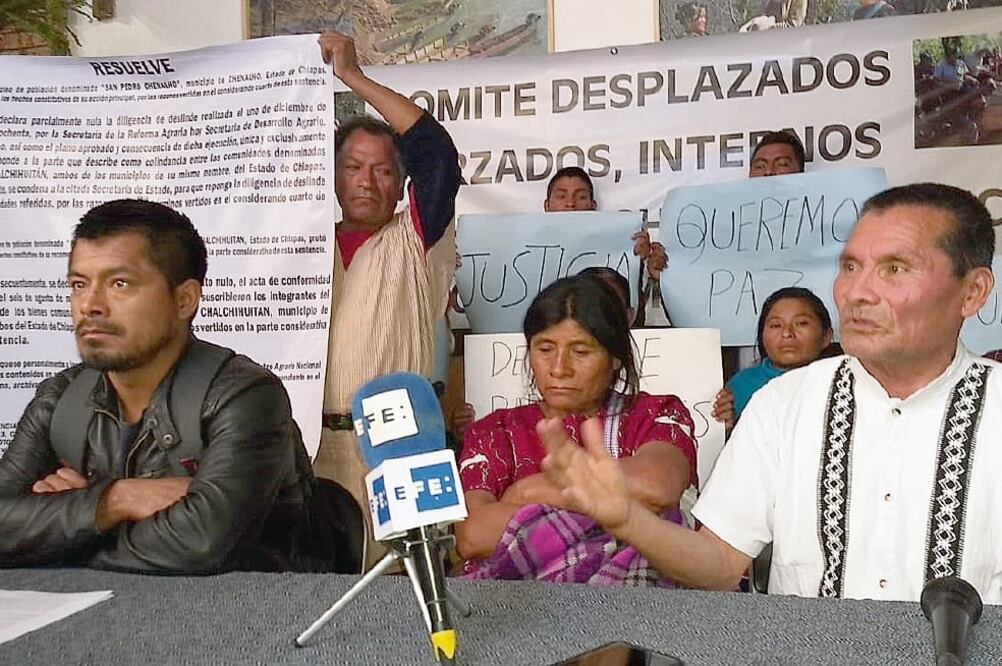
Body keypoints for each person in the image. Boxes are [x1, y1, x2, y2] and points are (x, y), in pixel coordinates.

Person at [539, 183, 1002, 603]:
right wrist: (625, 519)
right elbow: (718, 566)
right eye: (851, 266)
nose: (857, 292)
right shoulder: (784, 404)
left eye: (894, 268)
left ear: (973, 292)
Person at [0, 199, 318, 573]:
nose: (89, 305)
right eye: (79, 284)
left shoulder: (244, 396)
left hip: (255, 616)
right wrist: (115, 500)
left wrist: (61, 531)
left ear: (185, 300)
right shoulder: (58, 398)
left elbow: (202, 542)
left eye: (120, 284)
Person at [455, 275, 696, 585]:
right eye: (544, 349)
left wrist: (532, 491)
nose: (559, 368)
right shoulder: (495, 432)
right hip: (523, 612)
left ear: (615, 358)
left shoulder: (655, 415)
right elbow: (474, 536)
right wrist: (618, 510)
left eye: (580, 352)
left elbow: (657, 487)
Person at [315, 31, 461, 537]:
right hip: (311, 449)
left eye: (382, 171)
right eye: (353, 168)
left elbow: (437, 153)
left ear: (401, 185)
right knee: (318, 586)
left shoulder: (419, 237)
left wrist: (352, 78)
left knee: (405, 589)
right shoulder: (299, 247)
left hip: (401, 441)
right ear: (333, 177)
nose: (366, 182)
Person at [712, 287, 833, 430]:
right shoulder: (739, 387)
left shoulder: (843, 382)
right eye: (776, 325)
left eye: (801, 323)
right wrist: (724, 429)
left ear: (826, 336)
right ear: (762, 336)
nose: (787, 333)